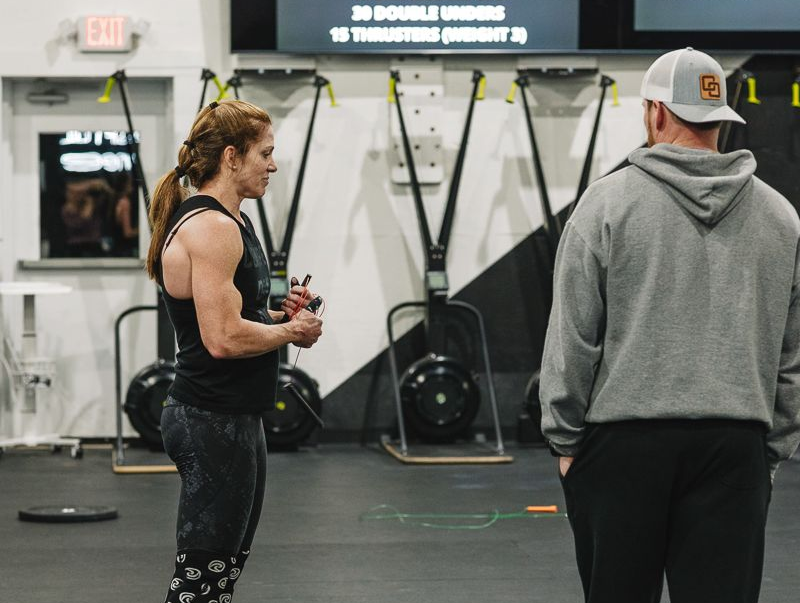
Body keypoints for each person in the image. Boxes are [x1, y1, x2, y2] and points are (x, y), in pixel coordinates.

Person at [540, 47, 800, 603]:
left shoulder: (605, 204)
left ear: (655, 112)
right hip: (736, 446)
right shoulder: (781, 216)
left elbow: (574, 335)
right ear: (721, 117)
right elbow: (791, 351)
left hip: (623, 447)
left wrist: (565, 439)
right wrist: (771, 448)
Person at [145, 99, 323, 603]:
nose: (273, 164)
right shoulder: (213, 228)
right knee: (202, 581)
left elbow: (234, 320)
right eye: (264, 153)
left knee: (222, 573)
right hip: (209, 418)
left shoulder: (233, 223)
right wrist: (292, 334)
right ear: (231, 156)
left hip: (234, 415)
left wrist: (280, 319)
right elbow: (221, 339)